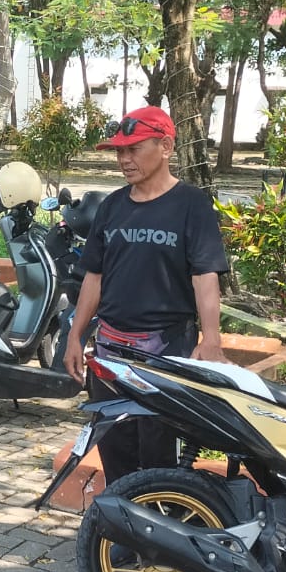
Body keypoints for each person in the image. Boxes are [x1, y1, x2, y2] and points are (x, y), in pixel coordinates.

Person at [61, 105, 231, 484]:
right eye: (120, 151)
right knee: (114, 447)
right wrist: (76, 335)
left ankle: (159, 536)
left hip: (165, 349)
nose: (124, 159)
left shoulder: (191, 205)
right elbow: (95, 277)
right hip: (111, 350)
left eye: (134, 149)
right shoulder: (112, 207)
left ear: (166, 146)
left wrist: (212, 339)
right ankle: (123, 536)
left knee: (157, 453)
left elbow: (205, 276)